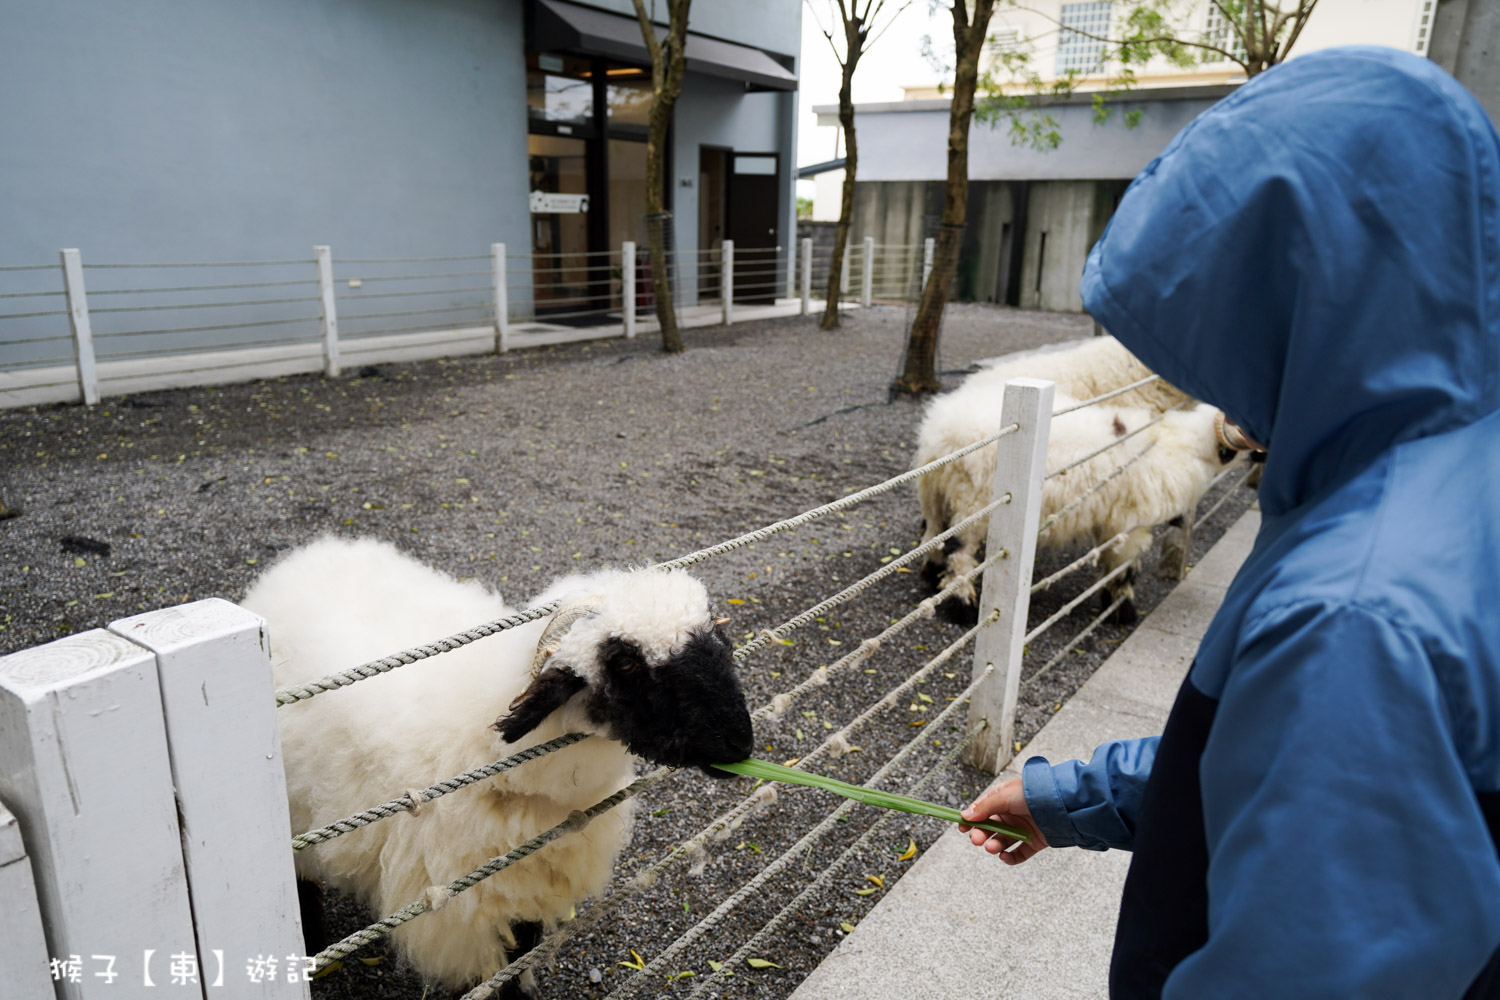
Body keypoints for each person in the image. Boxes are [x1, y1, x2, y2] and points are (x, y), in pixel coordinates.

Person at [958, 46, 1500, 998]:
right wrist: (1076, 797)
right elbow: (1294, 764)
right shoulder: (1443, 466)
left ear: (1285, 292)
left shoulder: (1354, 610)